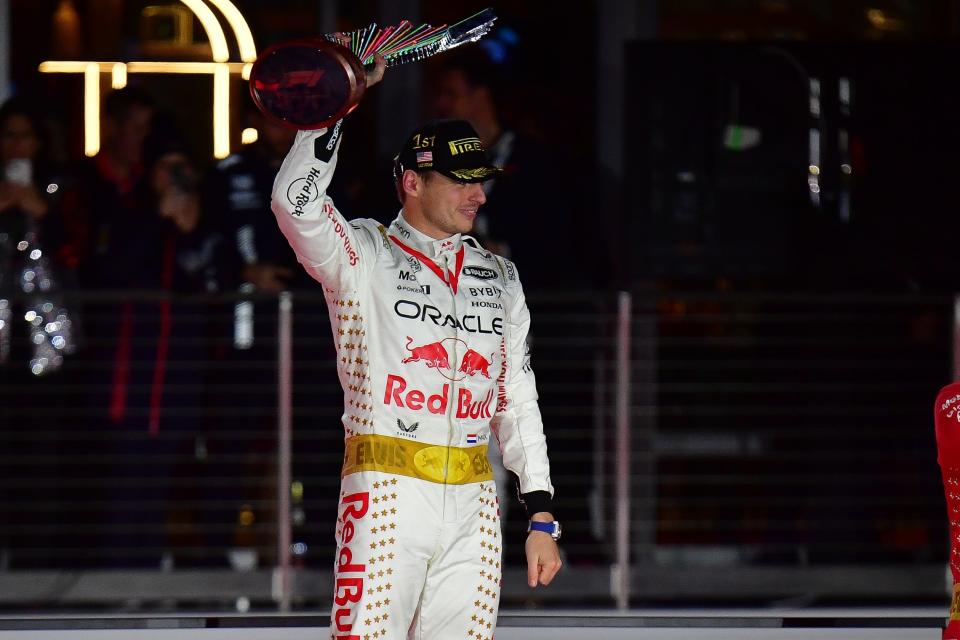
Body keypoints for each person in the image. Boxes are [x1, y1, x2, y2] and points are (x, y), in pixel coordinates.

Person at [270, 59, 561, 638]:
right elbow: (294, 206)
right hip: (386, 495)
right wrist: (335, 105)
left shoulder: (499, 274)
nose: (478, 194)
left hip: (478, 504)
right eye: (462, 180)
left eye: (481, 178)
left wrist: (542, 515)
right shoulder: (362, 254)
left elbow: (518, 401)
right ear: (412, 182)